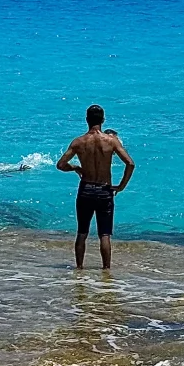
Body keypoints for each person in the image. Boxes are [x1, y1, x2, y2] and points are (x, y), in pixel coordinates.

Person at [56, 104, 135, 270]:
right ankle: (106, 271)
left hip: (85, 189)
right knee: (104, 234)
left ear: (86, 120)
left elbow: (61, 165)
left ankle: (79, 268)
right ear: (103, 120)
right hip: (105, 190)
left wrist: (76, 168)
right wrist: (121, 186)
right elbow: (130, 164)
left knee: (82, 232)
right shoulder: (111, 141)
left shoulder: (79, 142)